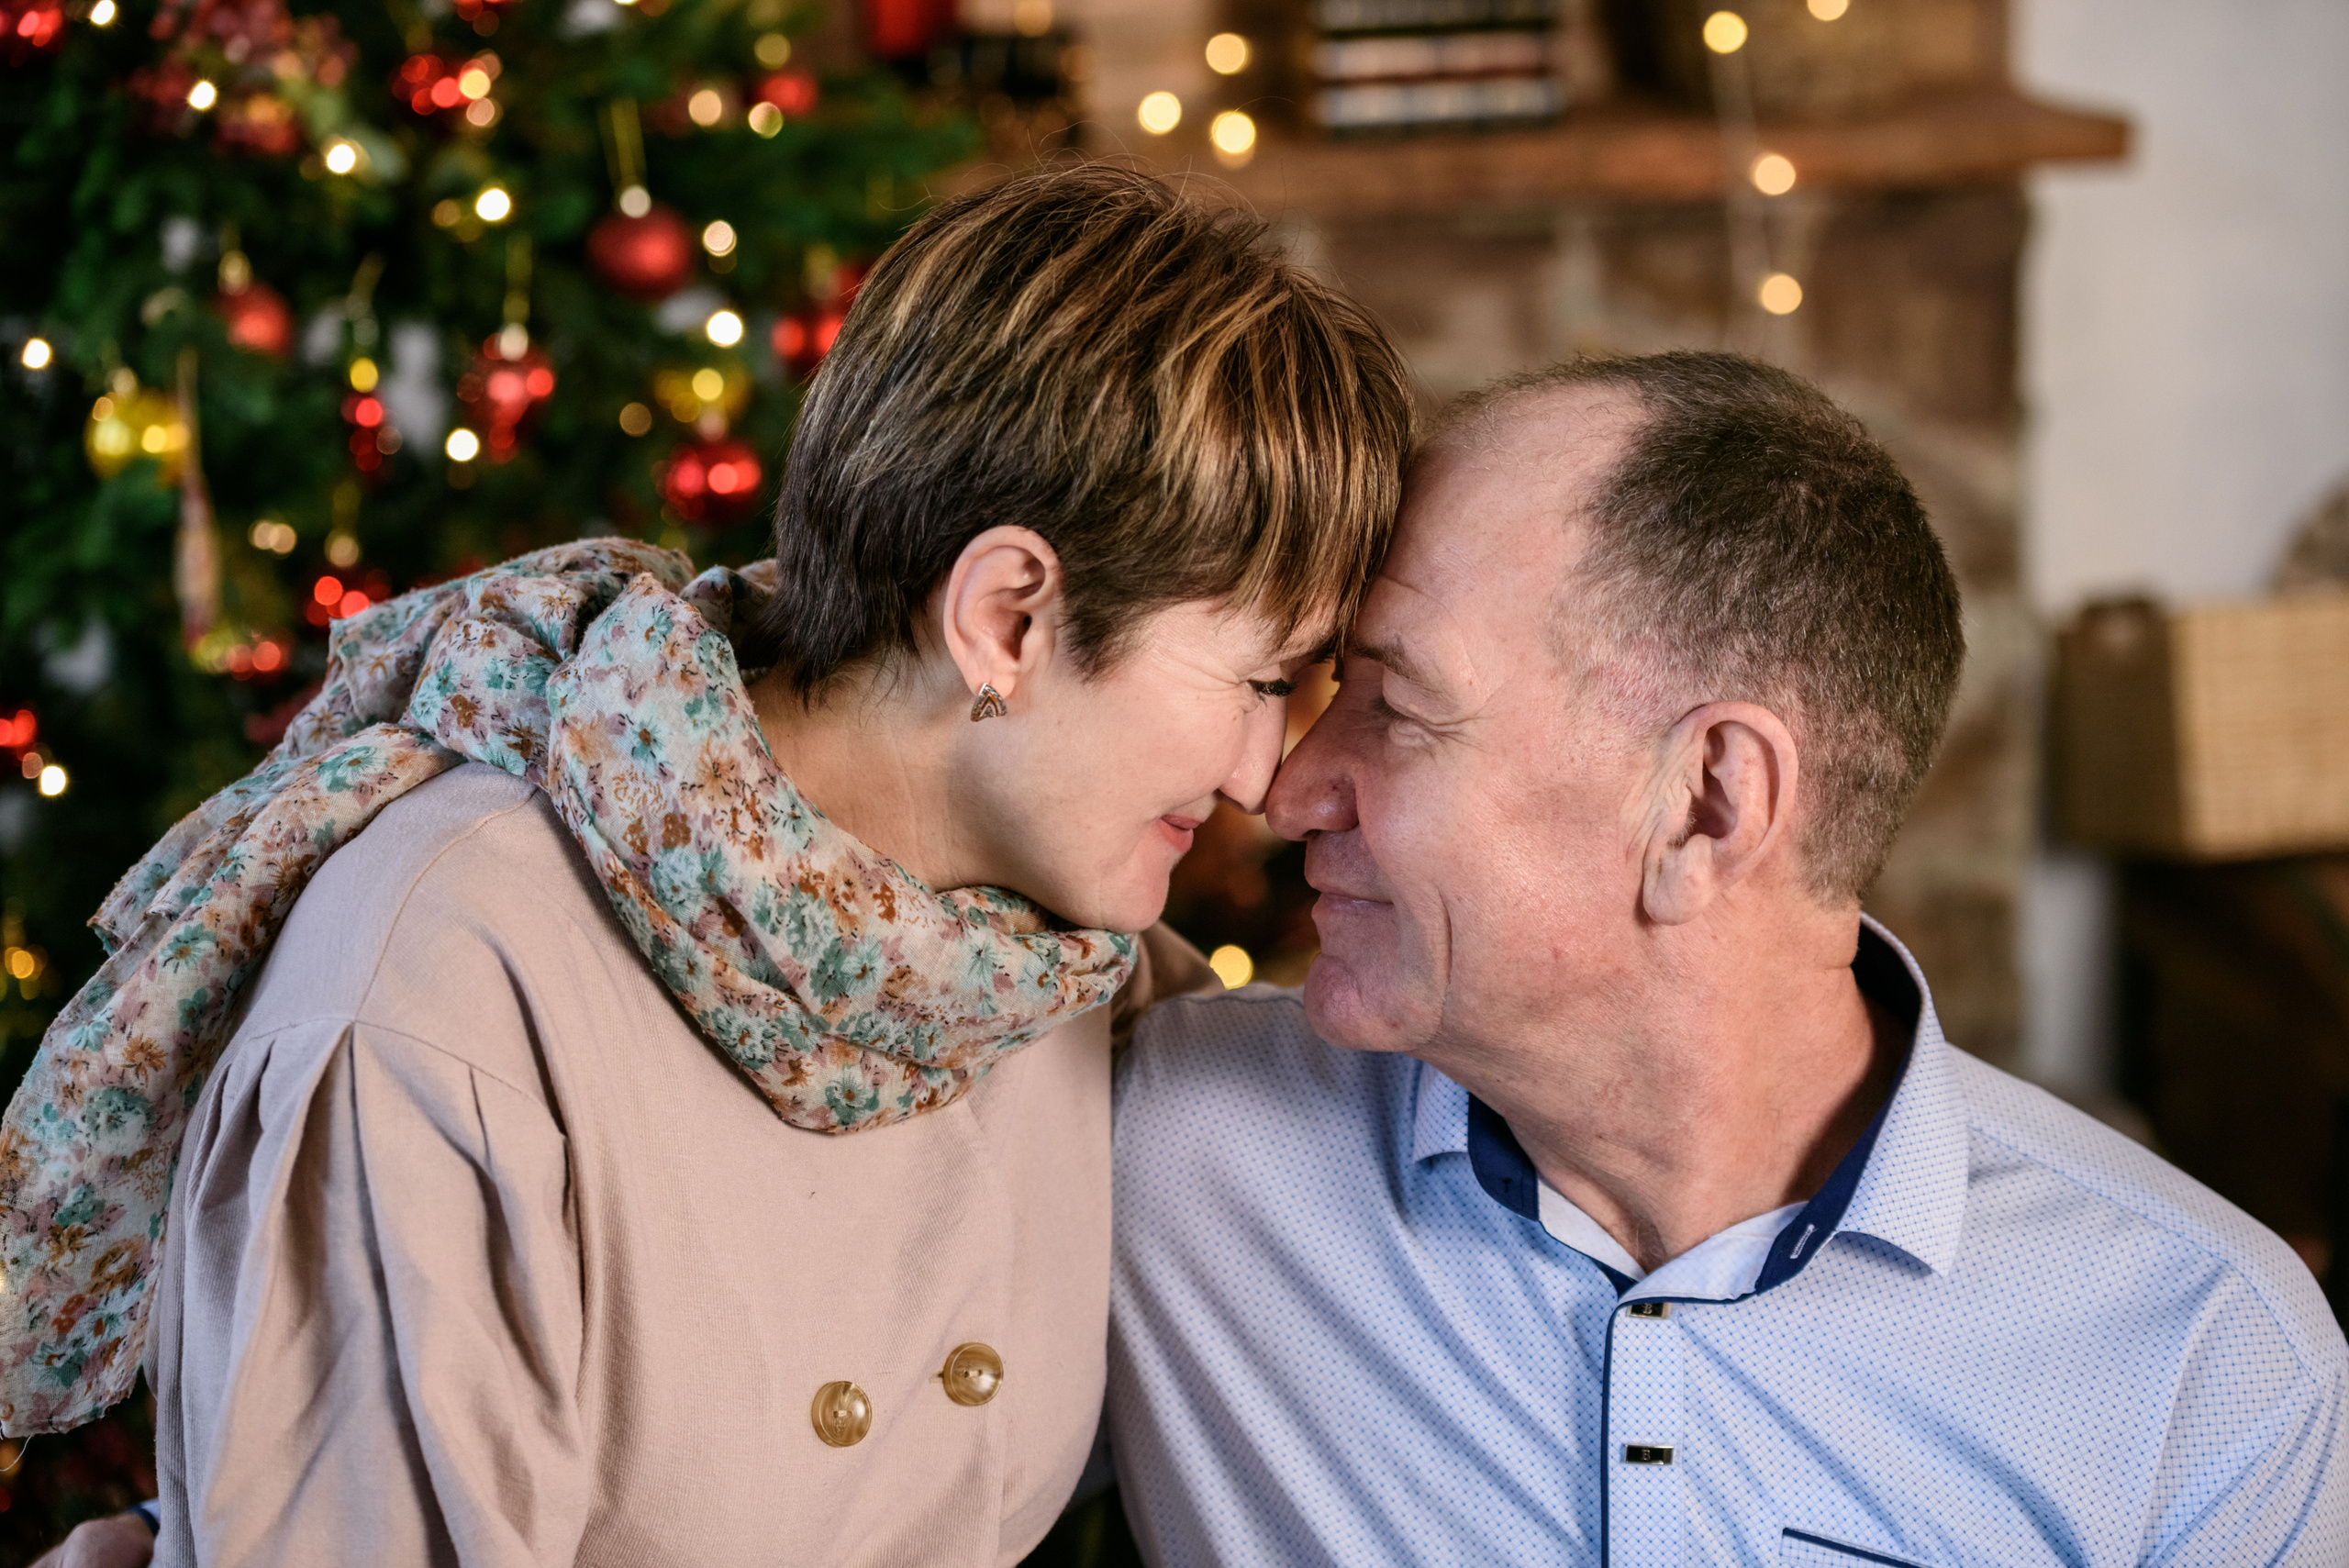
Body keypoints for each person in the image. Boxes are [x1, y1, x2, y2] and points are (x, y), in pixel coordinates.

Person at [15, 165, 1413, 1566]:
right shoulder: (433, 998)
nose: (1264, 774)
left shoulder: (1072, 970)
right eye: (1257, 678)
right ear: (1008, 618)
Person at [1108, 351, 2349, 1564]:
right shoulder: (1158, 1132)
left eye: (1395, 705)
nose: (1288, 785)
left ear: (1708, 804)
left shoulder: (2208, 1363)